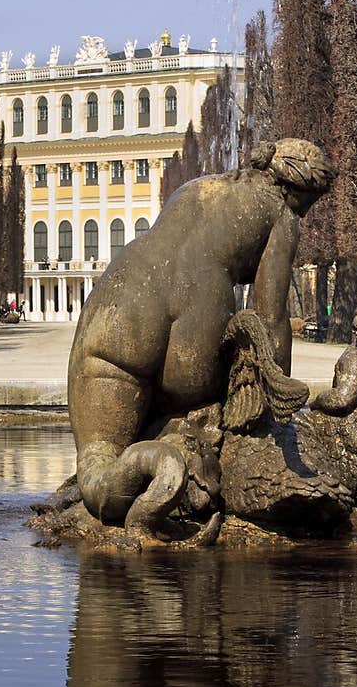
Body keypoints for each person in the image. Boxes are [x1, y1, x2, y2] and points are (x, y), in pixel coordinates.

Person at [67, 138, 337, 533]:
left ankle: (124, 470)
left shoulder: (203, 186)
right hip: (197, 303)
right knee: (206, 407)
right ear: (298, 190)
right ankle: (174, 462)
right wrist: (279, 406)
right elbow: (272, 312)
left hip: (122, 293)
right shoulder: (283, 213)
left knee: (98, 456)